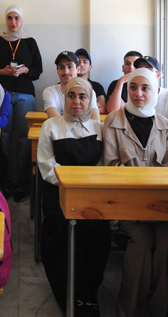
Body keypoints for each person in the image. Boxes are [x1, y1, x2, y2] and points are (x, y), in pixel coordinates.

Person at [103, 68, 168, 317]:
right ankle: (129, 309)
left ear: (154, 91)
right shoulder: (113, 121)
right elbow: (111, 168)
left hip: (159, 208)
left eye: (145, 88)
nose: (138, 94)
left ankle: (159, 309)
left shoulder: (165, 126)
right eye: (133, 88)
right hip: (126, 207)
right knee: (142, 242)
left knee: (166, 243)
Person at [37, 78, 110, 316]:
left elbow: (102, 165)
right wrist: (73, 185)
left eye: (82, 96)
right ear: (64, 99)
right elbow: (47, 166)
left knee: (97, 234)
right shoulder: (51, 126)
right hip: (59, 194)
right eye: (71, 96)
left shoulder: (100, 128)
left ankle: (89, 293)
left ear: (90, 100)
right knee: (60, 233)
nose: (76, 101)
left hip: (91, 195)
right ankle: (67, 294)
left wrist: (86, 188)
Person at [0, 4, 42, 202]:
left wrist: (25, 70)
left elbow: (38, 70)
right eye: (9, 18)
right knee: (4, 137)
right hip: (2, 94)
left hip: (25, 95)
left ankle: (21, 185)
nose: (13, 22)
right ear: (6, 20)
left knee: (23, 139)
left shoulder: (30, 42)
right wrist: (2, 71)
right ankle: (4, 183)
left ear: (22, 20)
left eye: (16, 18)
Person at [43, 51, 100, 121]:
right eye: (61, 67)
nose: (66, 71)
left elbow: (95, 121)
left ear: (78, 69)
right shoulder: (50, 92)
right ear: (57, 70)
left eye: (70, 66)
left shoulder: (89, 91)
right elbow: (55, 121)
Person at [132, 56, 168, 122]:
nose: (144, 72)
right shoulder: (134, 94)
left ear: (158, 75)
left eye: (148, 69)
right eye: (140, 69)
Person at [75, 48, 107, 114]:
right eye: (78, 61)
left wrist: (77, 109)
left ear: (90, 67)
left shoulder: (97, 87)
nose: (81, 64)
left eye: (85, 62)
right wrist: (92, 105)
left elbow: (102, 109)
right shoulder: (64, 85)